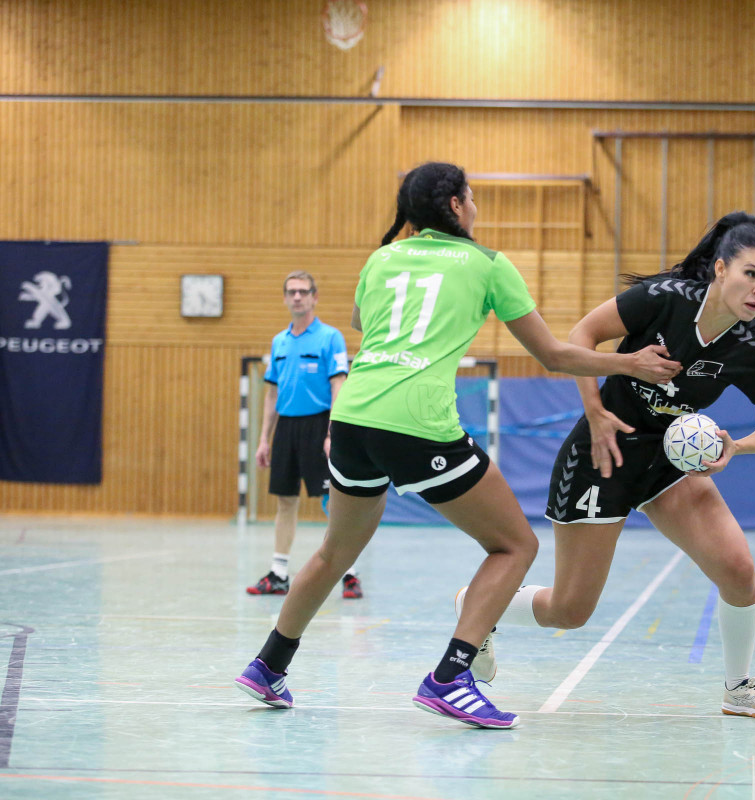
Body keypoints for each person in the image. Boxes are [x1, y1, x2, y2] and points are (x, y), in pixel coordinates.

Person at [234, 162, 681, 729]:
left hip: (351, 418)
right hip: (417, 421)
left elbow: (361, 321)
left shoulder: (382, 258)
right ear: (454, 205)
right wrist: (629, 363)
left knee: (333, 553)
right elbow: (553, 355)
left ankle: (269, 665)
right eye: (470, 196)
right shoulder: (487, 264)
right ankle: (450, 677)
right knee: (515, 545)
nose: (475, 205)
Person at [455, 211, 755, 719]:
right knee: (570, 610)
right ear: (721, 269)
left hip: (670, 462)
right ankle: (476, 604)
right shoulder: (664, 299)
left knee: (739, 571)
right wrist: (595, 412)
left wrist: (738, 447)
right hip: (603, 453)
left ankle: (739, 688)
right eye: (751, 274)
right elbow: (581, 335)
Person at [248, 271, 363, 599]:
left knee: (333, 502)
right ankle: (279, 574)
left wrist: (332, 431)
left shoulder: (330, 338)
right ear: (285, 298)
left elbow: (338, 384)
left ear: (314, 297)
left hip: (319, 424)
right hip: (287, 427)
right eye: (291, 292)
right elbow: (272, 394)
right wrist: (264, 438)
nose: (297, 297)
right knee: (285, 500)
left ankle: (350, 575)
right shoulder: (279, 342)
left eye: (303, 291)